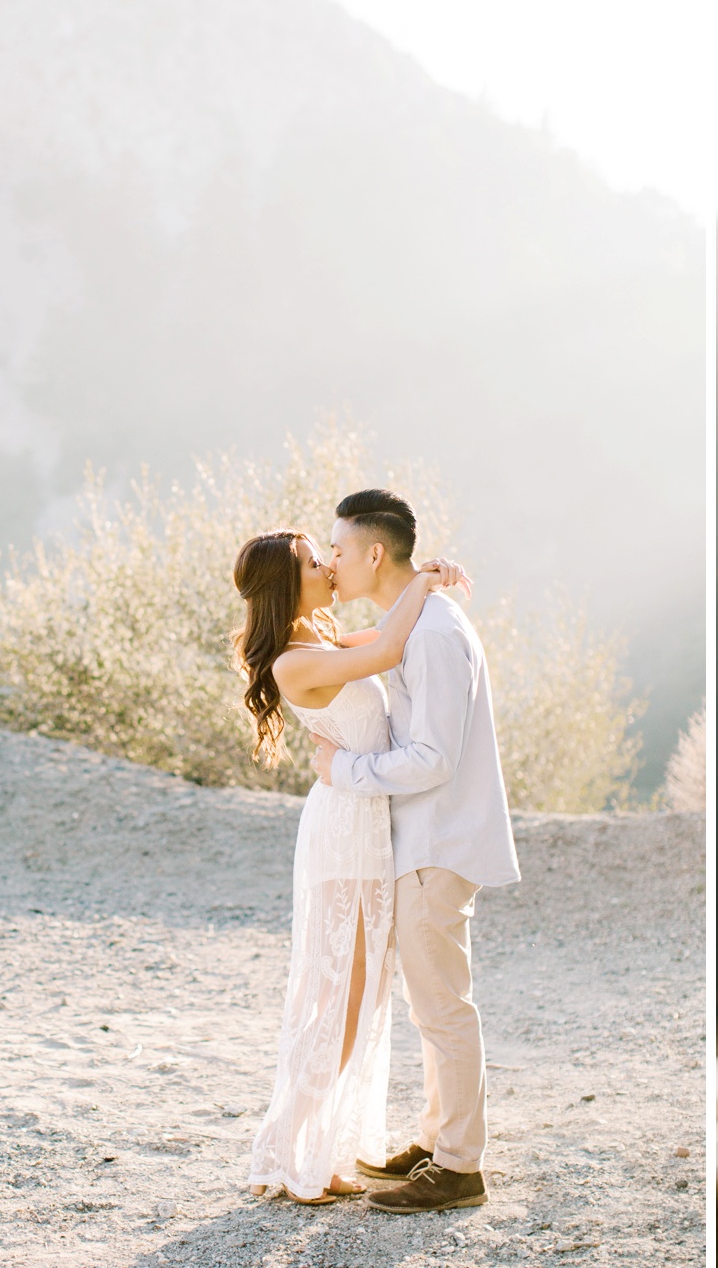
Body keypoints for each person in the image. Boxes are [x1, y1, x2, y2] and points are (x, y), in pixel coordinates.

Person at [233, 527, 465, 1205]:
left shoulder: (324, 638)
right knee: (342, 994)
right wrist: (426, 579)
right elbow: (389, 649)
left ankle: (316, 1151)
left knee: (357, 994)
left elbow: (390, 633)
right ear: (288, 582)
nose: (328, 567)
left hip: (364, 819)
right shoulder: (292, 663)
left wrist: (423, 578)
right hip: (341, 829)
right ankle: (288, 1149)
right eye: (315, 562)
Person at [310, 488, 519, 1215]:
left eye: (338, 549)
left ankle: (459, 1167)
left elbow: (433, 757)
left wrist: (344, 770)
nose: (331, 562)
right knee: (431, 1003)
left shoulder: (432, 634)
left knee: (443, 1006)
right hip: (424, 841)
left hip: (437, 842)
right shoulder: (419, 619)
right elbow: (367, 644)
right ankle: (437, 1141)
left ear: (374, 553)